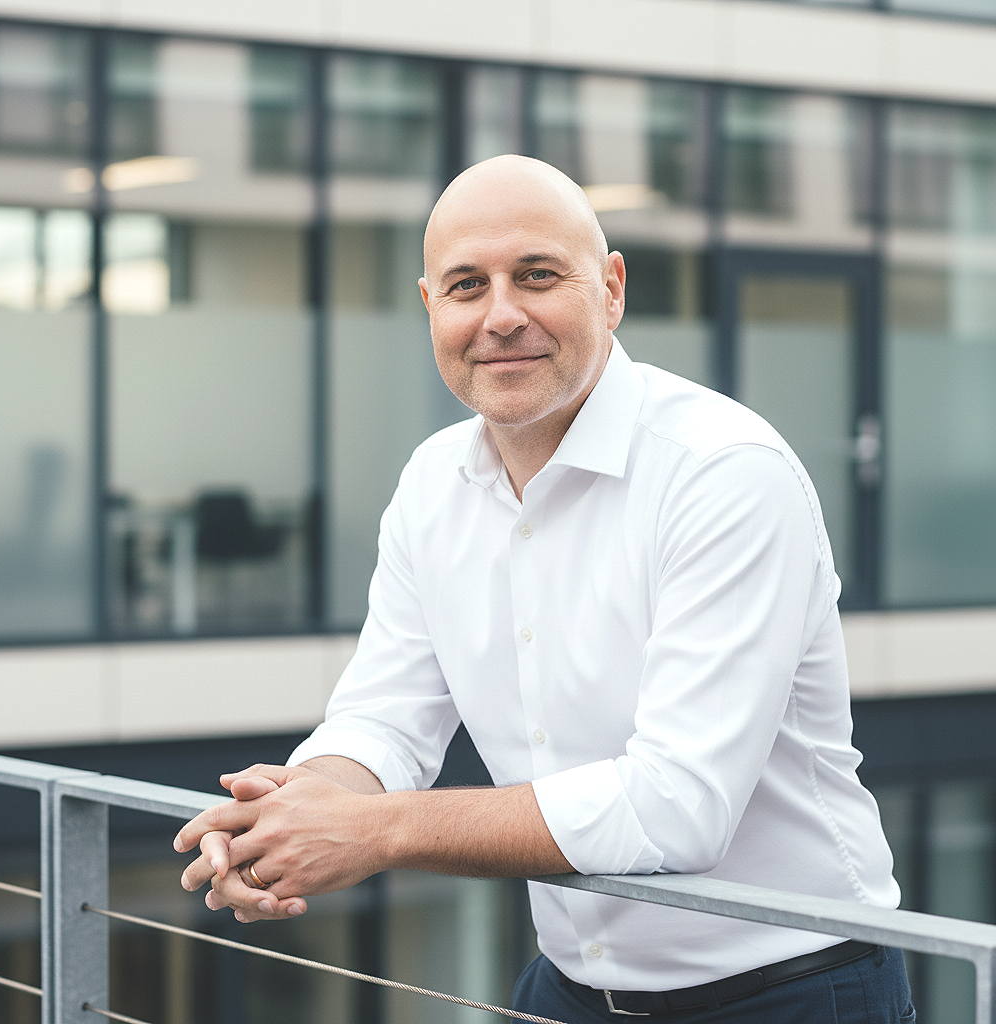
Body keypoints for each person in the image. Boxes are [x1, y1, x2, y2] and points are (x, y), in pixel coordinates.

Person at [175, 154, 914, 1023]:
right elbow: (384, 719)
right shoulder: (430, 483)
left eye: (536, 275)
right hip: (570, 988)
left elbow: (677, 809)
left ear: (610, 289)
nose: (501, 316)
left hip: (791, 990)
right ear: (429, 309)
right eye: (465, 285)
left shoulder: (724, 473)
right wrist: (294, 815)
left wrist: (375, 832)